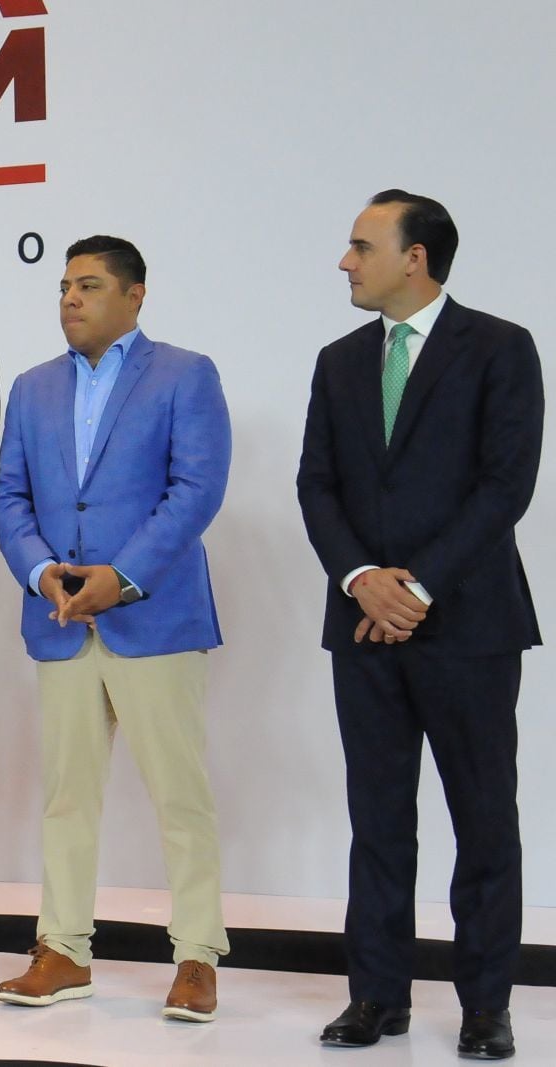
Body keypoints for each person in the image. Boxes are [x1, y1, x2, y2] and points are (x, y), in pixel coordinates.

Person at [297, 190, 541, 1061]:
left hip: (468, 623)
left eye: (361, 246)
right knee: (378, 819)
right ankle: (377, 996)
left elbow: (505, 486)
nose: (345, 261)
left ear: (416, 258)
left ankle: (485, 1005)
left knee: (484, 819)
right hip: (362, 624)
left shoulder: (502, 348)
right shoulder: (338, 359)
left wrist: (419, 586)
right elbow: (315, 484)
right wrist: (364, 580)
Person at [0, 237, 231, 1021]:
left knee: (178, 795)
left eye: (88, 285)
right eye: (63, 286)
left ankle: (196, 955)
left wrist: (118, 579)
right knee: (66, 796)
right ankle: (62, 949)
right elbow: (10, 494)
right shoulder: (30, 387)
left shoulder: (185, 374)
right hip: (59, 616)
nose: (70, 299)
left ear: (135, 295)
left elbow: (194, 490)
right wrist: (40, 570)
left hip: (152, 616)